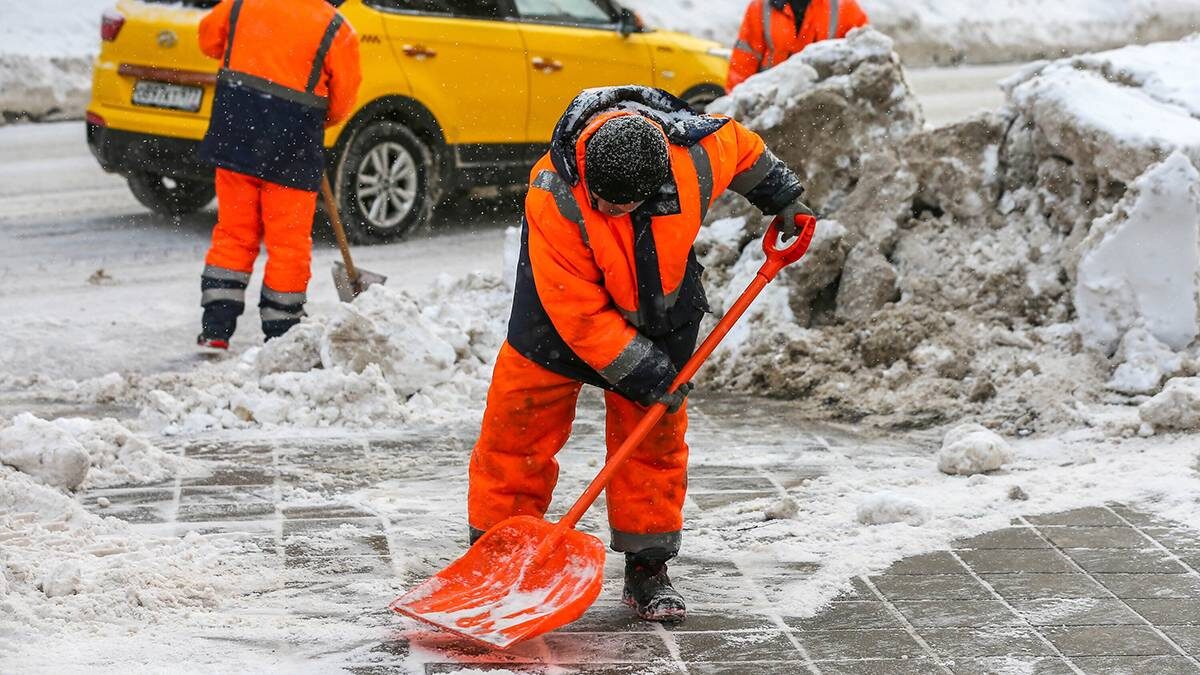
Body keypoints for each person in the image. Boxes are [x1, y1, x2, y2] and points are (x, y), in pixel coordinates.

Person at [467, 86, 814, 622]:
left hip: (660, 306)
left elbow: (741, 147)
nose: (611, 212)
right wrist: (643, 369)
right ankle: (497, 556)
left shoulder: (692, 155)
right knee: (518, 427)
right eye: (603, 202)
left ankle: (648, 569)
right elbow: (579, 314)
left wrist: (783, 198)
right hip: (557, 311)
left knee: (652, 438)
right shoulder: (555, 192)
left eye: (624, 206)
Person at [195, 0, 361, 350]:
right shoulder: (336, 28)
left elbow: (208, 40)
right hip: (293, 147)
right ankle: (281, 331)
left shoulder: (241, 3)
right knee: (288, 245)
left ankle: (216, 328)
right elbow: (342, 102)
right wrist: (310, 114)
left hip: (235, 131)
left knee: (233, 232)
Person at [728, 0, 870, 91]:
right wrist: (734, 101)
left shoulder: (843, 6)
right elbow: (744, 59)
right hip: (770, 101)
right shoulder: (761, 7)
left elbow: (867, 51)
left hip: (822, 102)